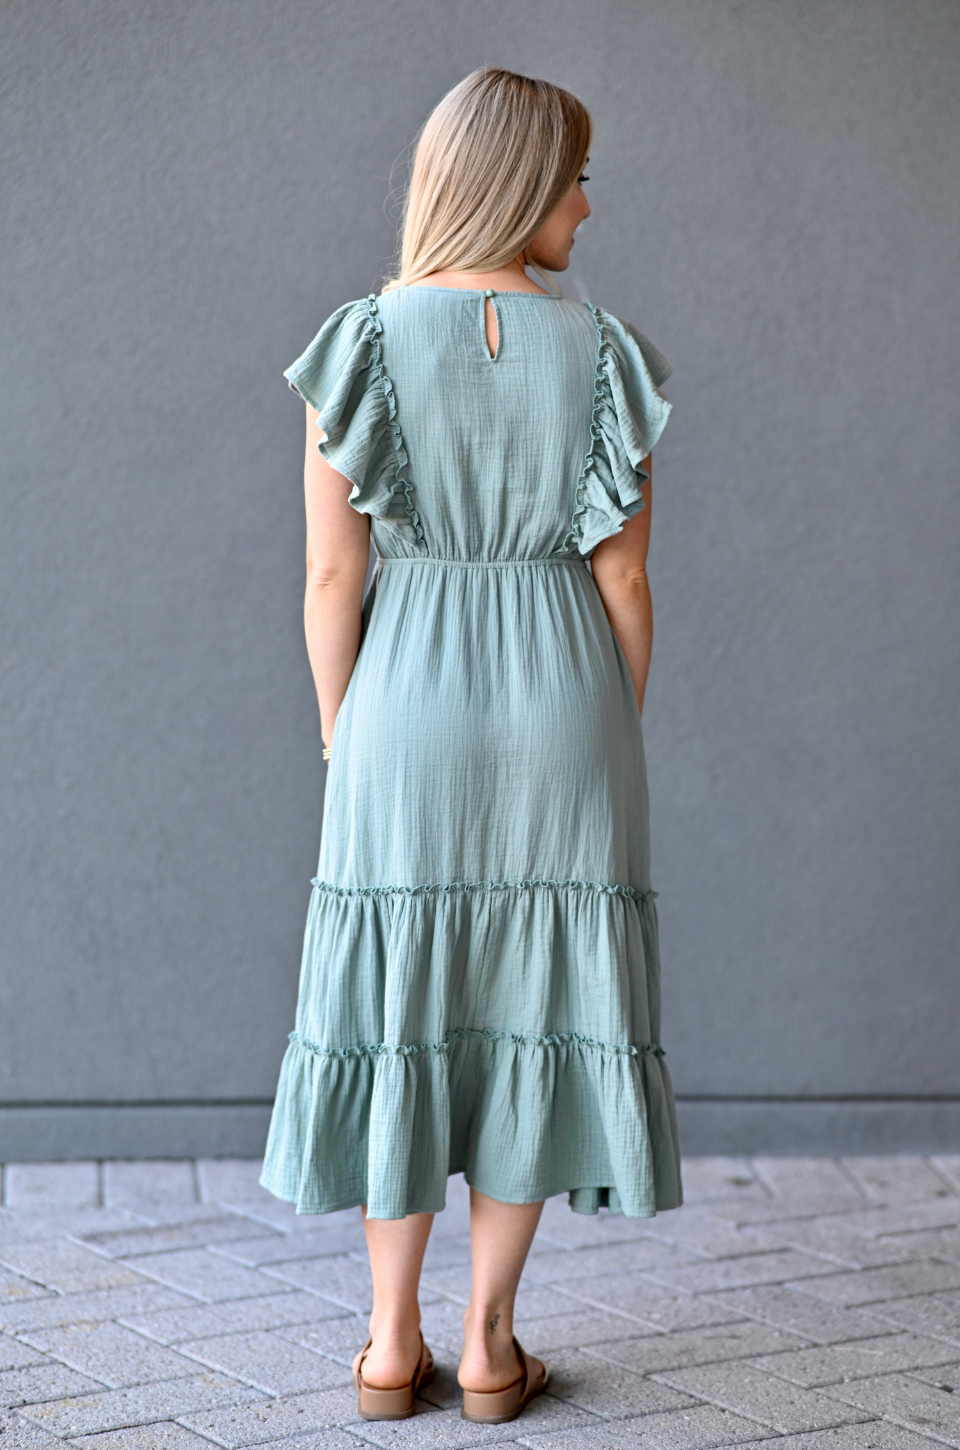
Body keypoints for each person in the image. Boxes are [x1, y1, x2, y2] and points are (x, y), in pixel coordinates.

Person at [260, 66, 683, 1425]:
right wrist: (609, 723)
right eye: (572, 176)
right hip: (566, 700)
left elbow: (331, 582)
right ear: (514, 183)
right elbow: (624, 582)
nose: (587, 202)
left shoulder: (363, 344)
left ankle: (391, 1344)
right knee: (539, 1010)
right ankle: (493, 1345)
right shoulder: (603, 353)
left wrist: (342, 728)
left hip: (405, 705)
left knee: (400, 1009)